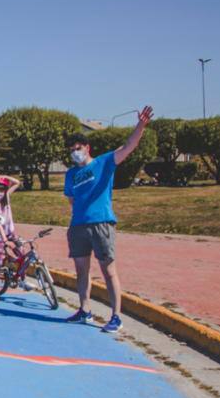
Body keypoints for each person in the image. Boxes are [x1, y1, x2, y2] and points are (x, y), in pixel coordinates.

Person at [64, 106, 153, 333]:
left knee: (108, 270)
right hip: (78, 226)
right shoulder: (70, 175)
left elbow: (128, 147)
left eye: (79, 148)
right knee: (81, 270)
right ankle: (85, 310)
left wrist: (140, 126)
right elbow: (72, 200)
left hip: (101, 223)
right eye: (72, 150)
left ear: (87, 148)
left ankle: (116, 316)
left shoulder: (104, 162)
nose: (75, 152)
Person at [0, 174, 23, 283]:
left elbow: (17, 182)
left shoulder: (6, 198)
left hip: (11, 233)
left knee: (22, 254)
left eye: (2, 191)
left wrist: (3, 176)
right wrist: (5, 240)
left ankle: (22, 279)